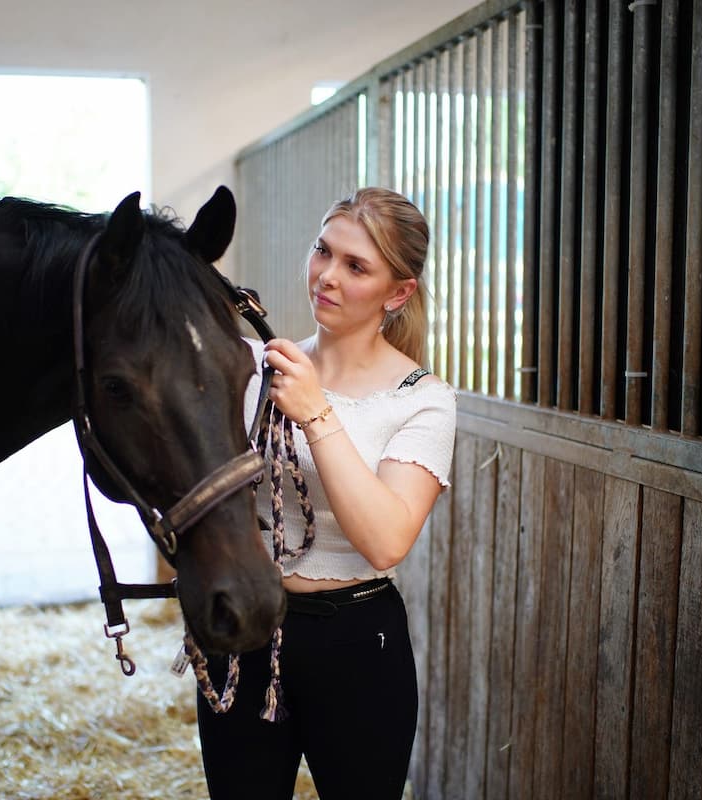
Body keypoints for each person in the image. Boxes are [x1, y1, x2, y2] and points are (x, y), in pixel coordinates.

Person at [195, 187, 457, 800]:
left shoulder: (422, 398)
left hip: (358, 643)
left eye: (355, 266)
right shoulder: (255, 369)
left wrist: (316, 413)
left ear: (398, 294)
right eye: (323, 251)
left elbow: (387, 540)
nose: (327, 276)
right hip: (247, 630)